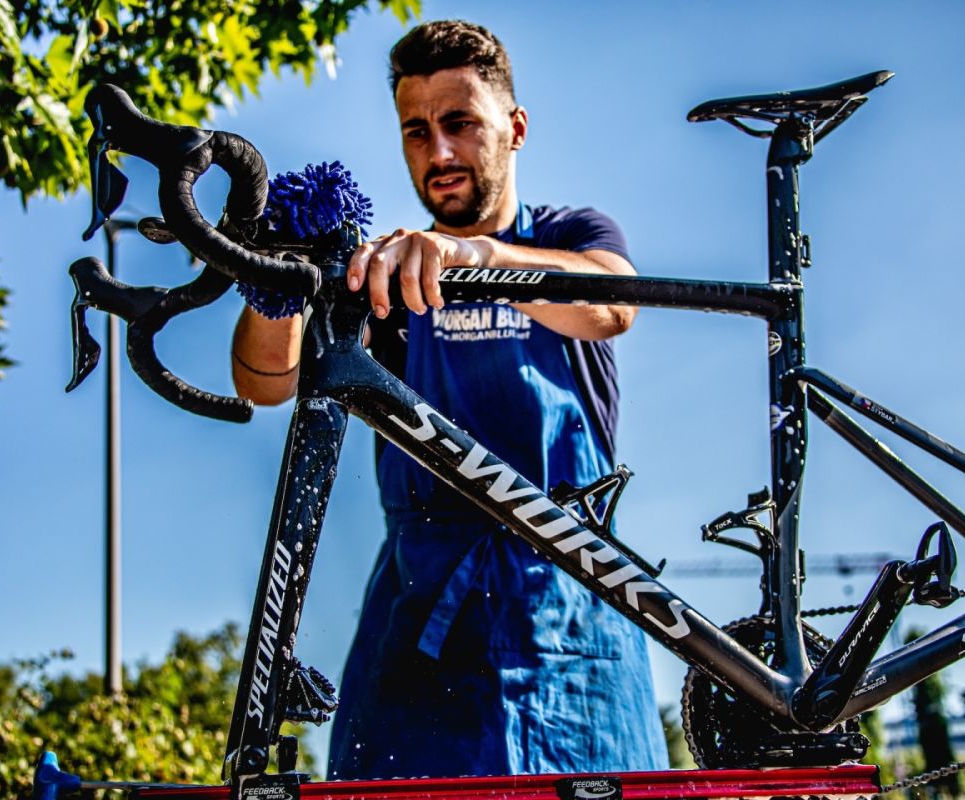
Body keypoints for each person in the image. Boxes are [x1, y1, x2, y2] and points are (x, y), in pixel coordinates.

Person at [231, 19, 667, 780]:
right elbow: (265, 385)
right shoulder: (387, 276)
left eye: (460, 123)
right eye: (416, 130)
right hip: (424, 615)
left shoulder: (573, 234)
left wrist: (475, 258)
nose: (438, 153)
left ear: (515, 127)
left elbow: (613, 304)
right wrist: (280, 285)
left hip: (570, 607)